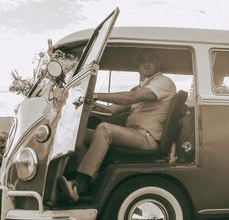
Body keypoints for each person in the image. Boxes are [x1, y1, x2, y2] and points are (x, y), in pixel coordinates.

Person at [58, 50, 176, 203]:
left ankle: (80, 184)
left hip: (147, 137)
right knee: (79, 134)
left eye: (151, 59)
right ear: (139, 66)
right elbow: (111, 110)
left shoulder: (163, 82)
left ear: (158, 63)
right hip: (133, 134)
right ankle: (75, 179)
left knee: (104, 128)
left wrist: (95, 94)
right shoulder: (141, 87)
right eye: (142, 60)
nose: (146, 63)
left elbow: (130, 98)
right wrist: (86, 102)